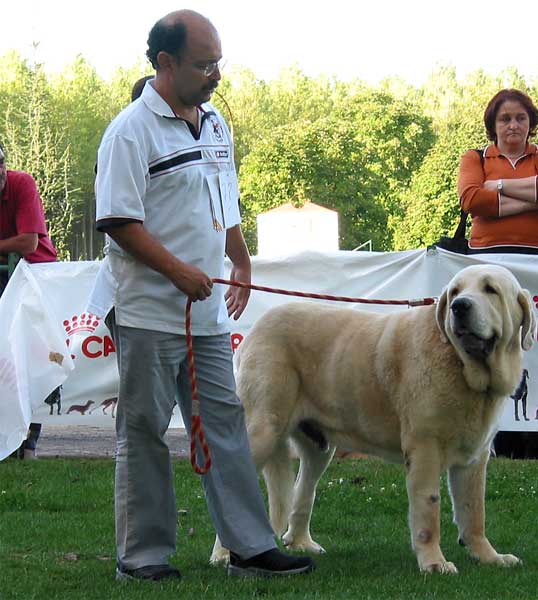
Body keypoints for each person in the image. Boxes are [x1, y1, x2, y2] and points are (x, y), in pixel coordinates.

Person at [92, 10, 315, 581]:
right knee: (142, 432)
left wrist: (239, 258)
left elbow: (225, 198)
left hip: (207, 313)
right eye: (203, 63)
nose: (215, 74)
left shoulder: (215, 123)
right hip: (145, 310)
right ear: (165, 63)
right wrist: (176, 272)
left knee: (225, 426)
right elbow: (118, 220)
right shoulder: (129, 131)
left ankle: (249, 547)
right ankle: (142, 559)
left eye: (218, 61)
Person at [457, 89, 538, 459]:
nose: (513, 125)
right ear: (493, 125)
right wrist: (533, 200)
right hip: (489, 264)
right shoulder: (475, 158)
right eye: (505, 119)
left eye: (520, 118)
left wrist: (500, 187)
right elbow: (472, 199)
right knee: (492, 346)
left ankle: (536, 442)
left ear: (530, 123)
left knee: (533, 347)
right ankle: (494, 441)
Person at [0, 141, 58, 459]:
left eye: (0, 162)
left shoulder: (21, 183)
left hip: (36, 278)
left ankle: (28, 441)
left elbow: (28, 241)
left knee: (30, 360)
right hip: (7, 275)